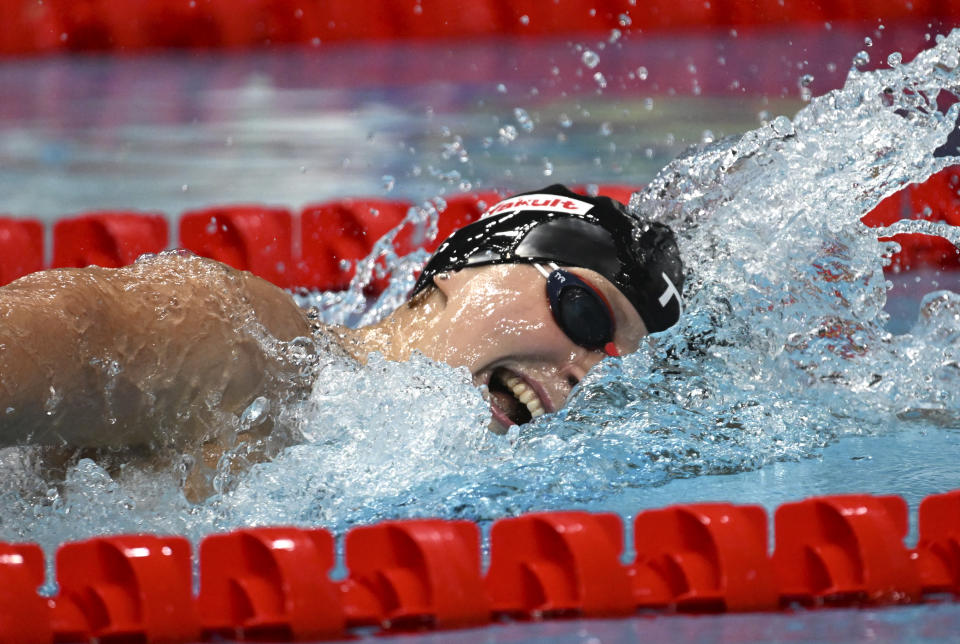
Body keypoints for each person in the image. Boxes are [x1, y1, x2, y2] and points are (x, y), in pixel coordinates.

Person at [0, 184, 683, 497]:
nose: (581, 371)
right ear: (464, 268)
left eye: (609, 363)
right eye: (585, 316)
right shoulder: (245, 345)